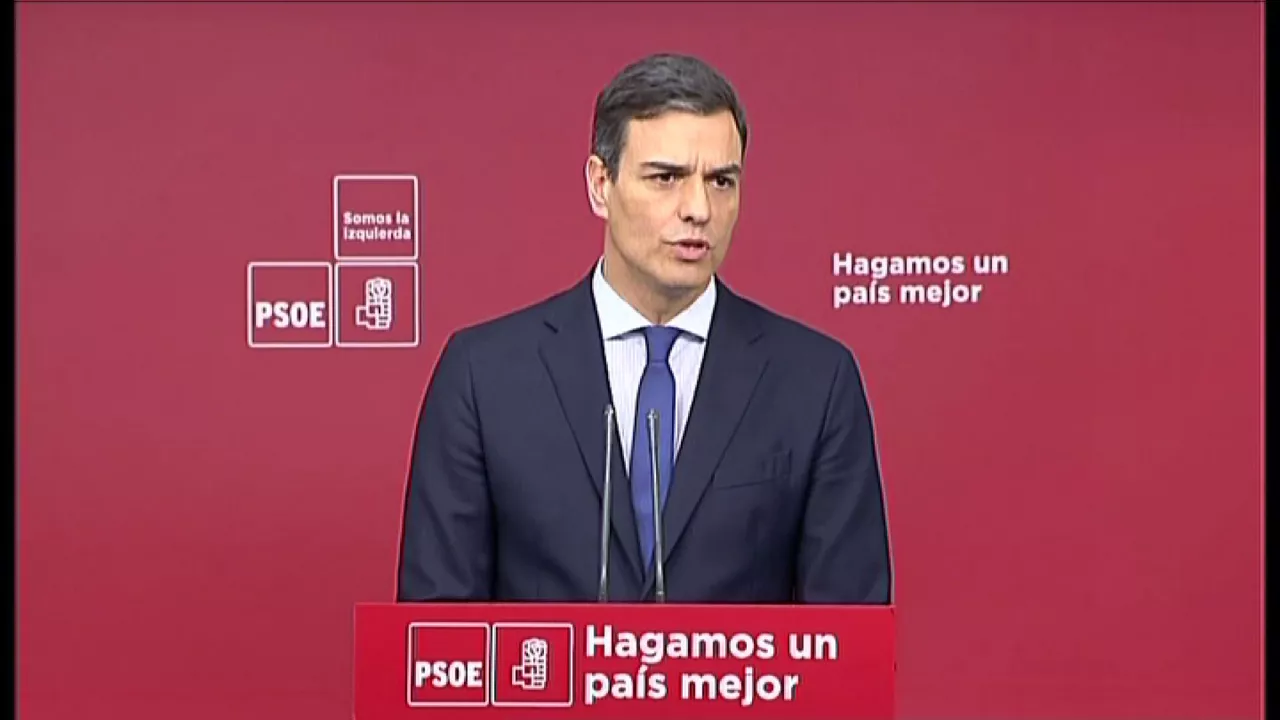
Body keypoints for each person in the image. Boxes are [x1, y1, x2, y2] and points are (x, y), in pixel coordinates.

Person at [396, 52, 892, 604]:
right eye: (666, 178)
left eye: (721, 181)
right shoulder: (483, 376)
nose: (698, 208)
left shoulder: (815, 382)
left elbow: (850, 634)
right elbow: (435, 631)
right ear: (600, 184)